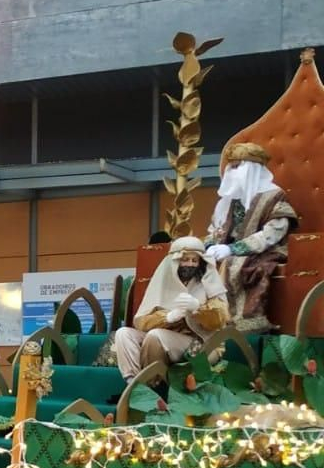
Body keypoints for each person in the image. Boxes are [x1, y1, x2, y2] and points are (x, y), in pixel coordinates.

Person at [204, 142, 296, 331]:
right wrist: (209, 246)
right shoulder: (229, 199)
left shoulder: (274, 195)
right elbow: (215, 228)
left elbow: (273, 232)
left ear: (252, 169)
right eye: (232, 167)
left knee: (233, 264)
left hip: (265, 250)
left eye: (238, 167)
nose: (232, 172)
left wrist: (233, 249)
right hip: (227, 250)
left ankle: (237, 323)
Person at [114, 236, 229, 381]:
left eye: (194, 261)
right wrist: (168, 317)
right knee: (123, 334)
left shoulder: (207, 282)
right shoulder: (162, 282)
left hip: (201, 344)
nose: (190, 264)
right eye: (185, 259)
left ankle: (153, 383)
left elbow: (221, 319)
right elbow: (142, 322)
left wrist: (198, 309)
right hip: (164, 337)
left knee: (155, 336)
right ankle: (133, 383)